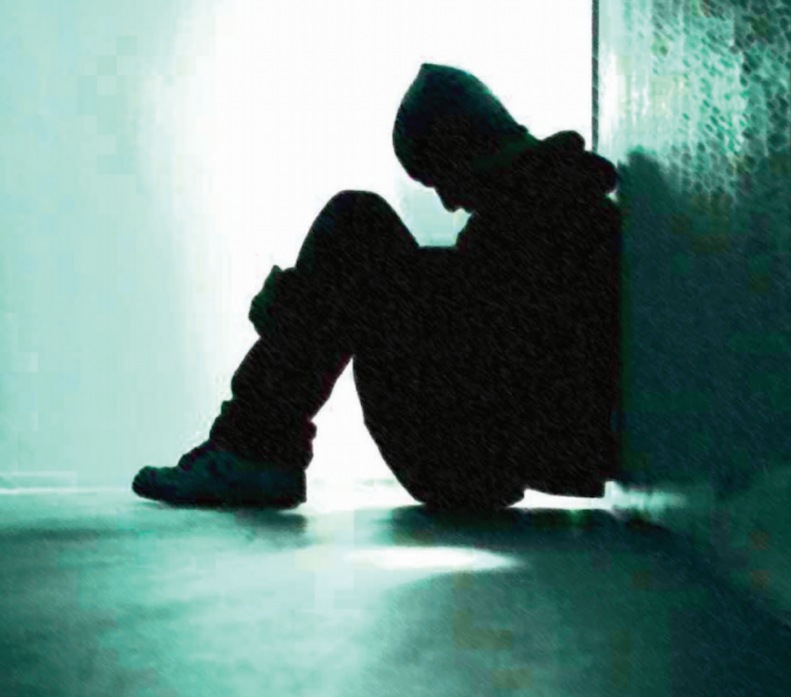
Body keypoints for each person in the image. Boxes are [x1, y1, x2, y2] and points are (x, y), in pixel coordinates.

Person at [132, 63, 622, 512]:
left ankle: (254, 450)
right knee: (357, 242)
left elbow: (495, 326)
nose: (448, 202)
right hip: (487, 451)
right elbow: (478, 309)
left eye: (440, 178)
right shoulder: (555, 202)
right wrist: (310, 309)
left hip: (478, 458)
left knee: (356, 223)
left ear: (465, 147)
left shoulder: (555, 213)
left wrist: (301, 312)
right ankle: (254, 448)